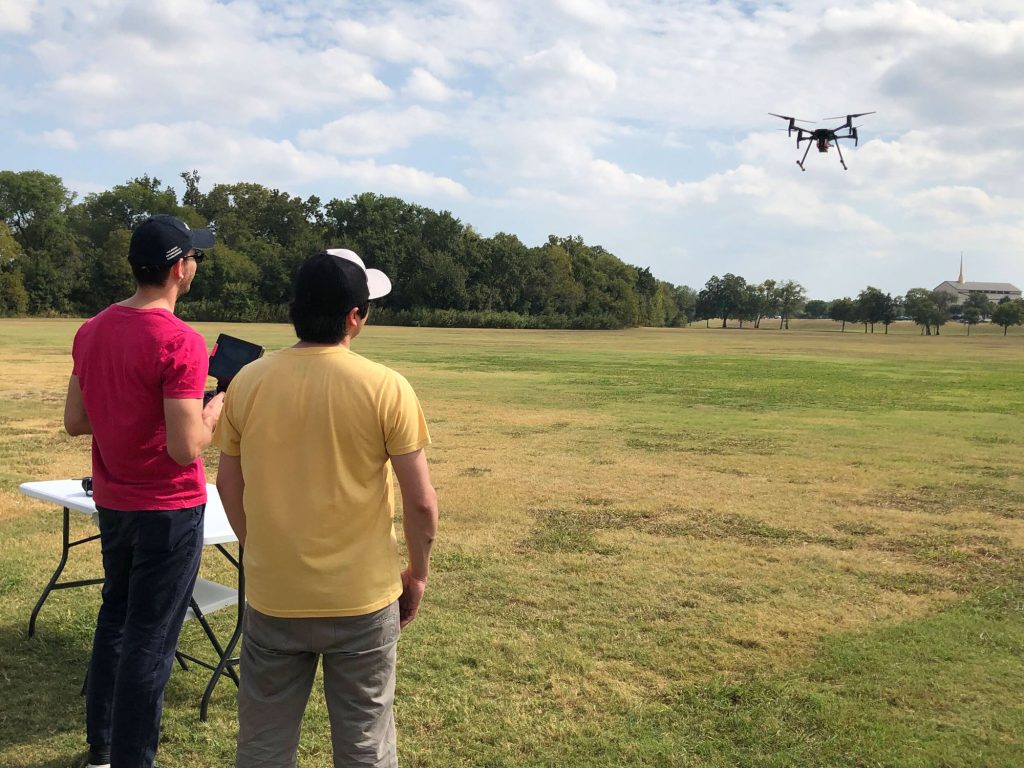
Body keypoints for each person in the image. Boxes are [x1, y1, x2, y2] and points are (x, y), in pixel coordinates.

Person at [215, 248, 439, 768]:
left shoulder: (247, 381)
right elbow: (421, 503)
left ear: (294, 309)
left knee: (264, 742)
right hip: (362, 598)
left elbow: (229, 484)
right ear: (354, 317)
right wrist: (419, 574)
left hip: (274, 595)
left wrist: (260, 548)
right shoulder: (385, 386)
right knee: (365, 742)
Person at [63, 214, 225, 768]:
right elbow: (187, 448)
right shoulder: (181, 341)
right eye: (195, 256)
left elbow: (76, 420)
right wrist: (217, 402)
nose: (197, 265)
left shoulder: (90, 330)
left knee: (117, 616)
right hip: (169, 508)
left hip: (113, 500)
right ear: (180, 268)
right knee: (151, 639)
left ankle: (103, 747)